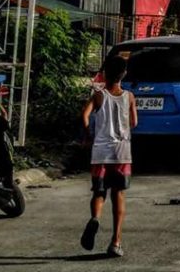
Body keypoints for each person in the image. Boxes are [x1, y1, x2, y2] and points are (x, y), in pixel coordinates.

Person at [80, 54, 137, 259]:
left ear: (105, 73)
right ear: (124, 74)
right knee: (118, 195)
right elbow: (134, 122)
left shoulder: (98, 95)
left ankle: (95, 218)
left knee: (99, 192)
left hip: (100, 151)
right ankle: (116, 241)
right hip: (121, 152)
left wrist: (89, 134)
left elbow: (85, 115)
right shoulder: (129, 96)